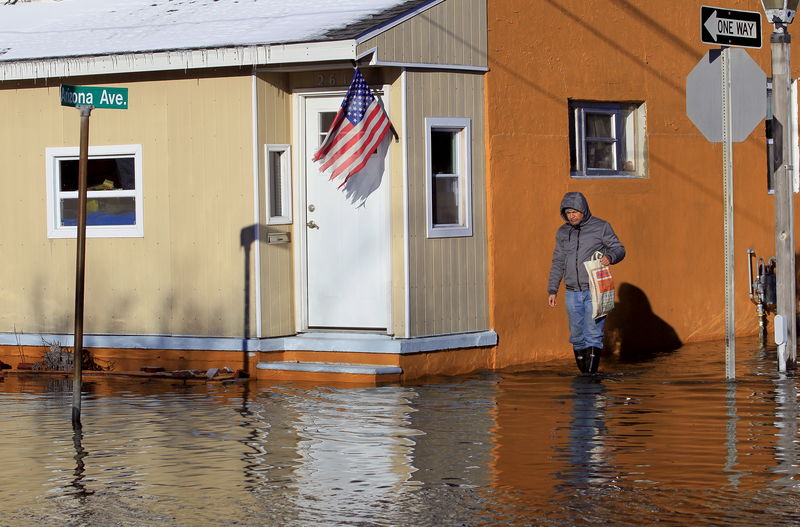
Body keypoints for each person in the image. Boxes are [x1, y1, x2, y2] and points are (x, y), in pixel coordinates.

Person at [547, 192, 625, 374]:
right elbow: (558, 261)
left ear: (583, 210)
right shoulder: (563, 232)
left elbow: (619, 248)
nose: (572, 215)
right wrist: (552, 289)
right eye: (568, 212)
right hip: (572, 292)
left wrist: (610, 257)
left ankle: (590, 378)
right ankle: (584, 376)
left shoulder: (601, 227)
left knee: (593, 334)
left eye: (575, 211)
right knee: (577, 336)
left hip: (595, 290)